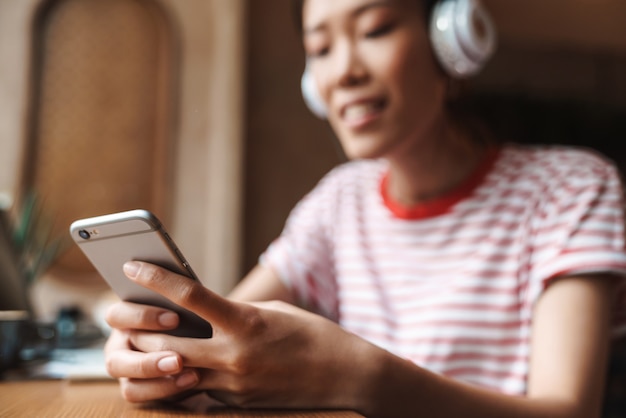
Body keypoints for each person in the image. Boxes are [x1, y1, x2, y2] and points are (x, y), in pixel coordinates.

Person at [104, 0, 626, 416]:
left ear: (452, 39)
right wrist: (169, 360)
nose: (344, 72)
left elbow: (568, 412)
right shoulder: (339, 200)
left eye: (375, 29)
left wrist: (360, 376)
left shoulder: (573, 188)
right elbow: (225, 331)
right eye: (321, 47)